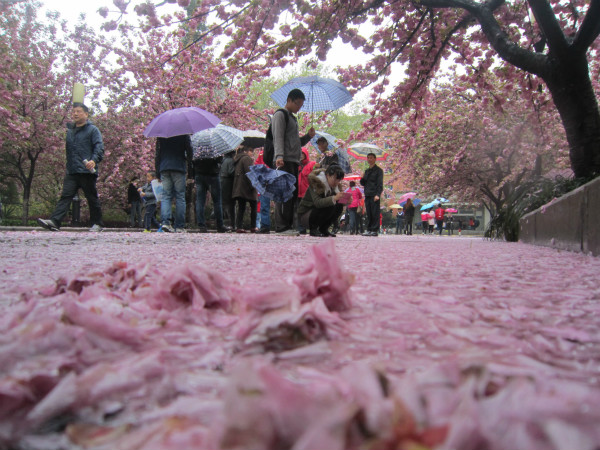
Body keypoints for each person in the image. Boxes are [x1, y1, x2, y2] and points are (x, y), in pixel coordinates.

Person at [37, 103, 105, 232]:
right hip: (72, 170)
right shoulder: (70, 131)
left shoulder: (93, 130)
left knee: (91, 197)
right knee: (66, 196)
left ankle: (98, 223)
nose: (75, 114)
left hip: (87, 171)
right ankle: (55, 221)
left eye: (79, 111)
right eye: (74, 111)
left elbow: (99, 147)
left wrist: (94, 160)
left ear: (86, 114)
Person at [271, 88, 316, 233]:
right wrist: (279, 156)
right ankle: (282, 226)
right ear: (289, 100)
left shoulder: (292, 118)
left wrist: (308, 136)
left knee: (291, 194)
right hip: (284, 161)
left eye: (301, 105)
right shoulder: (280, 115)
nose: (299, 107)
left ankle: (288, 225)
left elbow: (295, 143)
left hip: (293, 161)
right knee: (283, 193)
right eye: (297, 104)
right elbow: (277, 136)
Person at [155, 134, 192, 233]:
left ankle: (165, 223)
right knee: (180, 196)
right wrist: (191, 172)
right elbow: (189, 152)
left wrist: (157, 172)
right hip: (179, 167)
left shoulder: (162, 135)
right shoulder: (184, 134)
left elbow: (158, 154)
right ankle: (179, 226)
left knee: (166, 196)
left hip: (164, 167)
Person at [297, 164, 345, 237]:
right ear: (328, 175)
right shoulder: (316, 183)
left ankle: (323, 229)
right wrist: (334, 198)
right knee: (330, 204)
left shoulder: (335, 187)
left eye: (339, 180)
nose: (336, 182)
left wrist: (346, 201)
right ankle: (313, 229)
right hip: (306, 215)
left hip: (317, 212)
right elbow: (317, 203)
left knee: (339, 206)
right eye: (334, 179)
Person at [193, 153, 229, 233]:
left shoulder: (198, 146)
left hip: (199, 173)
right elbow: (219, 160)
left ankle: (201, 225)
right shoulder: (214, 146)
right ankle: (220, 225)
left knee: (200, 201)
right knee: (217, 201)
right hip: (213, 174)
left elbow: (193, 161)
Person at [232, 146, 258, 233]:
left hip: (240, 187)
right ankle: (253, 226)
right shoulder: (247, 159)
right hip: (247, 187)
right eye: (251, 151)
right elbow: (249, 172)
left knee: (241, 207)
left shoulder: (237, 159)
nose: (252, 153)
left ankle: (239, 226)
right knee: (254, 205)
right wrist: (253, 185)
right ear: (246, 151)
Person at [360, 152, 384, 237]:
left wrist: (378, 194)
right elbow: (363, 183)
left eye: (371, 158)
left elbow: (380, 184)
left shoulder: (379, 171)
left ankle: (374, 230)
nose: (369, 159)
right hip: (367, 194)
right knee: (369, 213)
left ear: (375, 159)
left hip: (374, 194)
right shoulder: (366, 171)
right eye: (368, 158)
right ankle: (369, 229)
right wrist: (362, 177)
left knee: (375, 212)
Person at [297, 147, 318, 234]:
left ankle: (313, 228)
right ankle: (301, 229)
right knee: (300, 212)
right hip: (298, 193)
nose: (301, 156)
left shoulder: (312, 164)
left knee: (310, 212)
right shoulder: (297, 165)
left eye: (303, 154)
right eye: (300, 154)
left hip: (308, 193)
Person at [254, 150, 272, 234]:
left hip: (272, 180)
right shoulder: (262, 153)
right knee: (264, 205)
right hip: (265, 182)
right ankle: (265, 225)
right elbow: (256, 166)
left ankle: (266, 225)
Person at [220, 150, 236, 229]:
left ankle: (221, 221)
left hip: (222, 182)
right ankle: (232, 223)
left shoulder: (222, 160)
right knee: (230, 204)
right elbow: (231, 172)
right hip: (228, 183)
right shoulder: (230, 161)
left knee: (223, 202)